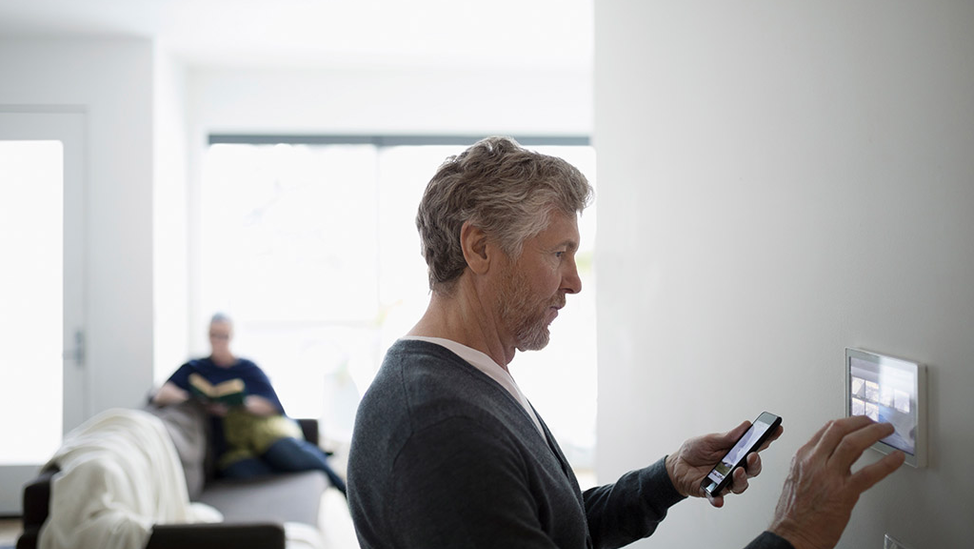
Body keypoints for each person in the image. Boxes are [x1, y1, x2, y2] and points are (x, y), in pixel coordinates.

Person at [346, 137, 904, 548]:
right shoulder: (439, 426)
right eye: (557, 253)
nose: (574, 280)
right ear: (480, 249)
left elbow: (551, 529)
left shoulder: (461, 379)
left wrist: (664, 479)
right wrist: (795, 533)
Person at [152, 313, 347, 496]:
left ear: (232, 336)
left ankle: (343, 488)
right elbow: (161, 394)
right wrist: (195, 400)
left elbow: (273, 406)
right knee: (238, 472)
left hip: (265, 433)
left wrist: (241, 403)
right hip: (234, 446)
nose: (218, 341)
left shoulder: (247, 368)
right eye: (213, 335)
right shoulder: (195, 367)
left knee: (285, 453)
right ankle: (307, 462)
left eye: (223, 336)